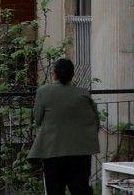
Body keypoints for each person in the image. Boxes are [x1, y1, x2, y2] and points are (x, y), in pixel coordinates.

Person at [30, 56, 100, 195]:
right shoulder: (83, 93)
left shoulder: (43, 92)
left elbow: (37, 119)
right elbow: (95, 121)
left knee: (55, 189)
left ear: (55, 74)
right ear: (72, 74)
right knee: (80, 189)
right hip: (81, 151)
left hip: (53, 150)